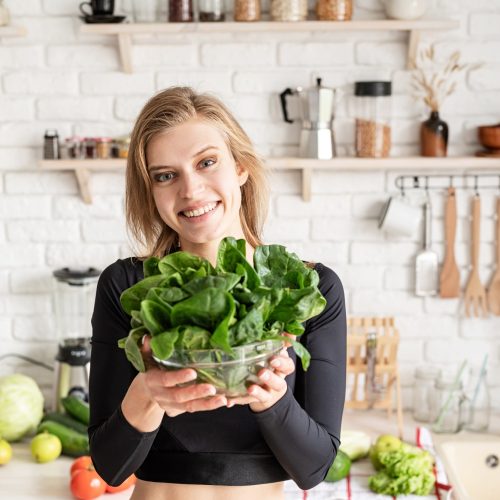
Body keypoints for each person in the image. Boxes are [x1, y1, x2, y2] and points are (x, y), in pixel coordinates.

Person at [89, 86, 347, 500]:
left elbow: (314, 467)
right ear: (151, 190)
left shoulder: (306, 288)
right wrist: (146, 393)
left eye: (207, 162)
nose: (190, 190)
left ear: (241, 167)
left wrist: (273, 400)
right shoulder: (128, 287)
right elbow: (111, 467)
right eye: (165, 175)